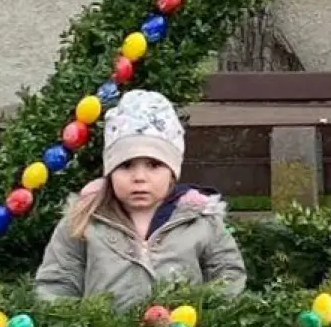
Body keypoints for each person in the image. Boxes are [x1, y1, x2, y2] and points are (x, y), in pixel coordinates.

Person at [35, 90, 247, 309]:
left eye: (154, 165)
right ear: (109, 172)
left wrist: (206, 324)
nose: (139, 178)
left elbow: (228, 276)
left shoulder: (202, 221)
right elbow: (57, 284)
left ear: (172, 172)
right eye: (126, 165)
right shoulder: (83, 222)